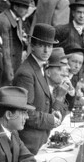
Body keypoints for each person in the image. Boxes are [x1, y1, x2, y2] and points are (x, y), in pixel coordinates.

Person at [12, 24, 64, 154]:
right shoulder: (26, 73)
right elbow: (25, 113)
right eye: (42, 45)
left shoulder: (40, 67)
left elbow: (44, 102)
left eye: (50, 46)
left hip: (41, 137)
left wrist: (54, 112)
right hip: (30, 142)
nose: (46, 50)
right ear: (33, 45)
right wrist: (51, 119)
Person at [0, 87, 37, 162]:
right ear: (9, 115)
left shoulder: (13, 132)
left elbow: (29, 159)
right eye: (23, 112)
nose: (27, 117)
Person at [0, 0, 31, 86]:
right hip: (3, 68)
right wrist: (9, 70)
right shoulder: (3, 20)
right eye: (25, 8)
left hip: (12, 65)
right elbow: (5, 49)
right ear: (15, 7)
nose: (27, 11)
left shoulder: (17, 19)